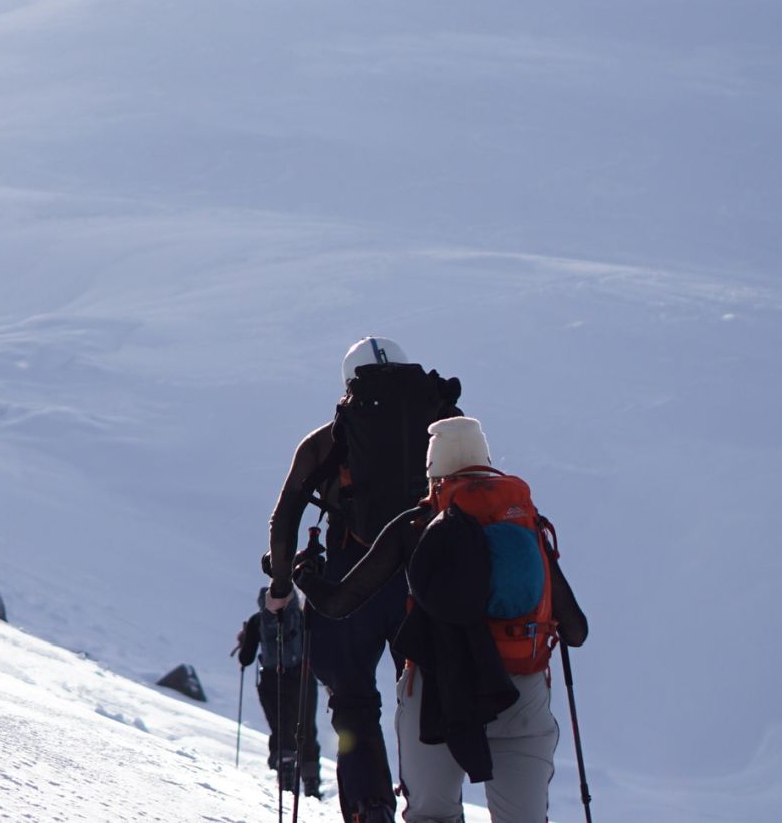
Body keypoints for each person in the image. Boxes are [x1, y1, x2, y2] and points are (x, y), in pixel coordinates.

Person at [296, 416, 589, 823]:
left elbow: (341, 603)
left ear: (432, 471)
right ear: (485, 460)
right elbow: (576, 631)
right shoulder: (525, 523)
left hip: (436, 692)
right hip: (521, 689)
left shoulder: (416, 524)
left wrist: (306, 575)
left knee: (431, 816)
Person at [265, 336, 462, 823]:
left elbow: (286, 514)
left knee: (352, 699)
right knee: (418, 693)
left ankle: (370, 807)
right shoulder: (440, 428)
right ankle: (429, 806)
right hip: (422, 584)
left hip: (349, 585)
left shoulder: (327, 440)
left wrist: (282, 586)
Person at [236, 587, 322, 799]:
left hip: (272, 680)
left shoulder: (258, 620)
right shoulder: (302, 616)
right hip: (302, 678)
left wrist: (245, 639)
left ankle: (286, 779)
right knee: (307, 728)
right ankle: (310, 783)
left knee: (281, 727)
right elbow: (316, 648)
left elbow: (245, 659)